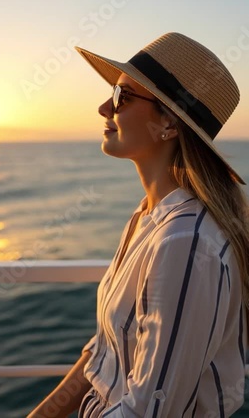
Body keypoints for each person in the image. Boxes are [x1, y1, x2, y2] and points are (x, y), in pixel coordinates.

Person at [28, 32, 249, 417]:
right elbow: (104, 352)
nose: (103, 107)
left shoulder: (186, 244)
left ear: (169, 123)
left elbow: (147, 412)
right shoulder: (148, 215)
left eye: (122, 96)